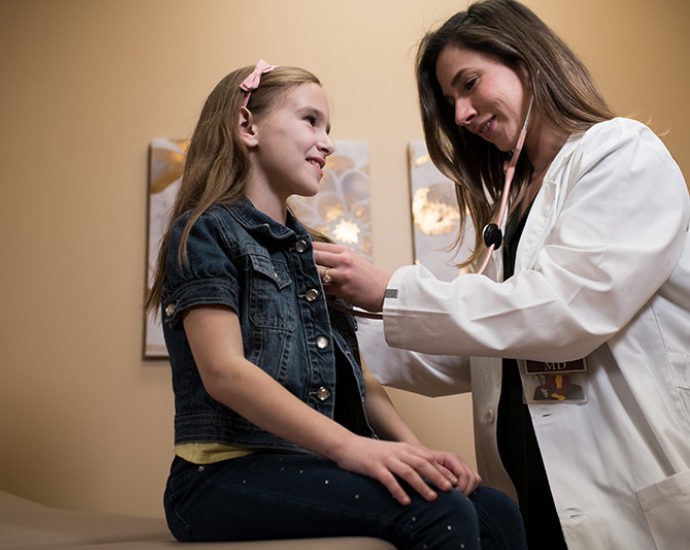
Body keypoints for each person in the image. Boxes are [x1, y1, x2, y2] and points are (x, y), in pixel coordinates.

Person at [312, 1, 690, 549]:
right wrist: (340, 326)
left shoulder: (622, 153)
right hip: (538, 494)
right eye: (451, 102)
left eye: (469, 84)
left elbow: (566, 311)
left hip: (625, 485)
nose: (461, 114)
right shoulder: (512, 203)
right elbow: (489, 350)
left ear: (527, 61)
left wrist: (391, 292)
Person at [144, 60, 526, 549]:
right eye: (310, 121)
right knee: (439, 513)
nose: (327, 142)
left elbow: (359, 381)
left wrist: (417, 453)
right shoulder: (206, 232)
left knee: (497, 511)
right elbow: (225, 372)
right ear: (247, 126)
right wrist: (354, 449)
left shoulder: (313, 249)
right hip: (214, 479)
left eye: (329, 128)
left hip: (304, 464)